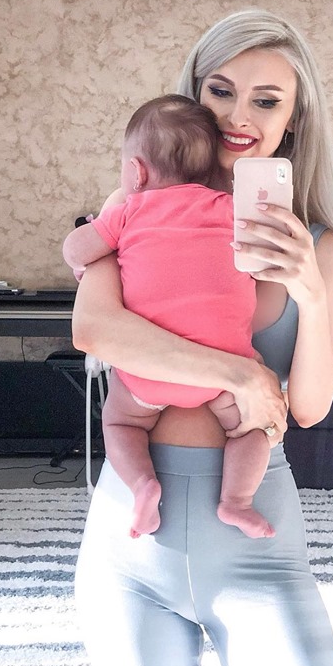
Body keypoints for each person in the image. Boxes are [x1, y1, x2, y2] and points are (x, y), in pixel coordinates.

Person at [71, 9, 333, 666]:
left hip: (258, 551)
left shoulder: (319, 246)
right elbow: (95, 328)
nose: (241, 114)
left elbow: (308, 405)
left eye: (266, 99)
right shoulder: (136, 210)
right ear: (193, 96)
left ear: (295, 119)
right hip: (130, 556)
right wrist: (239, 372)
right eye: (221, 90)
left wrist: (309, 291)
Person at [63, 94, 275, 540]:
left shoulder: (129, 211)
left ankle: (143, 486)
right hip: (225, 375)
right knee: (252, 429)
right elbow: (262, 264)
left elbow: (76, 249)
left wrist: (88, 258)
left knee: (119, 422)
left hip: (147, 376)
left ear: (136, 172)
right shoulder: (232, 210)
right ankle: (236, 502)